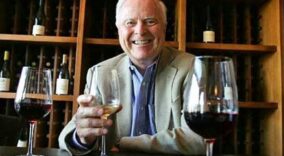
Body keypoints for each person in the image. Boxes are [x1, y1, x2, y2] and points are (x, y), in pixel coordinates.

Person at [58, 0, 205, 155]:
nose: (140, 31)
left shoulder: (192, 68)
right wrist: (83, 139)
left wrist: (124, 143)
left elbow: (196, 140)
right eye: (130, 22)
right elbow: (66, 138)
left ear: (164, 26)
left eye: (150, 21)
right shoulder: (101, 73)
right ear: (118, 29)